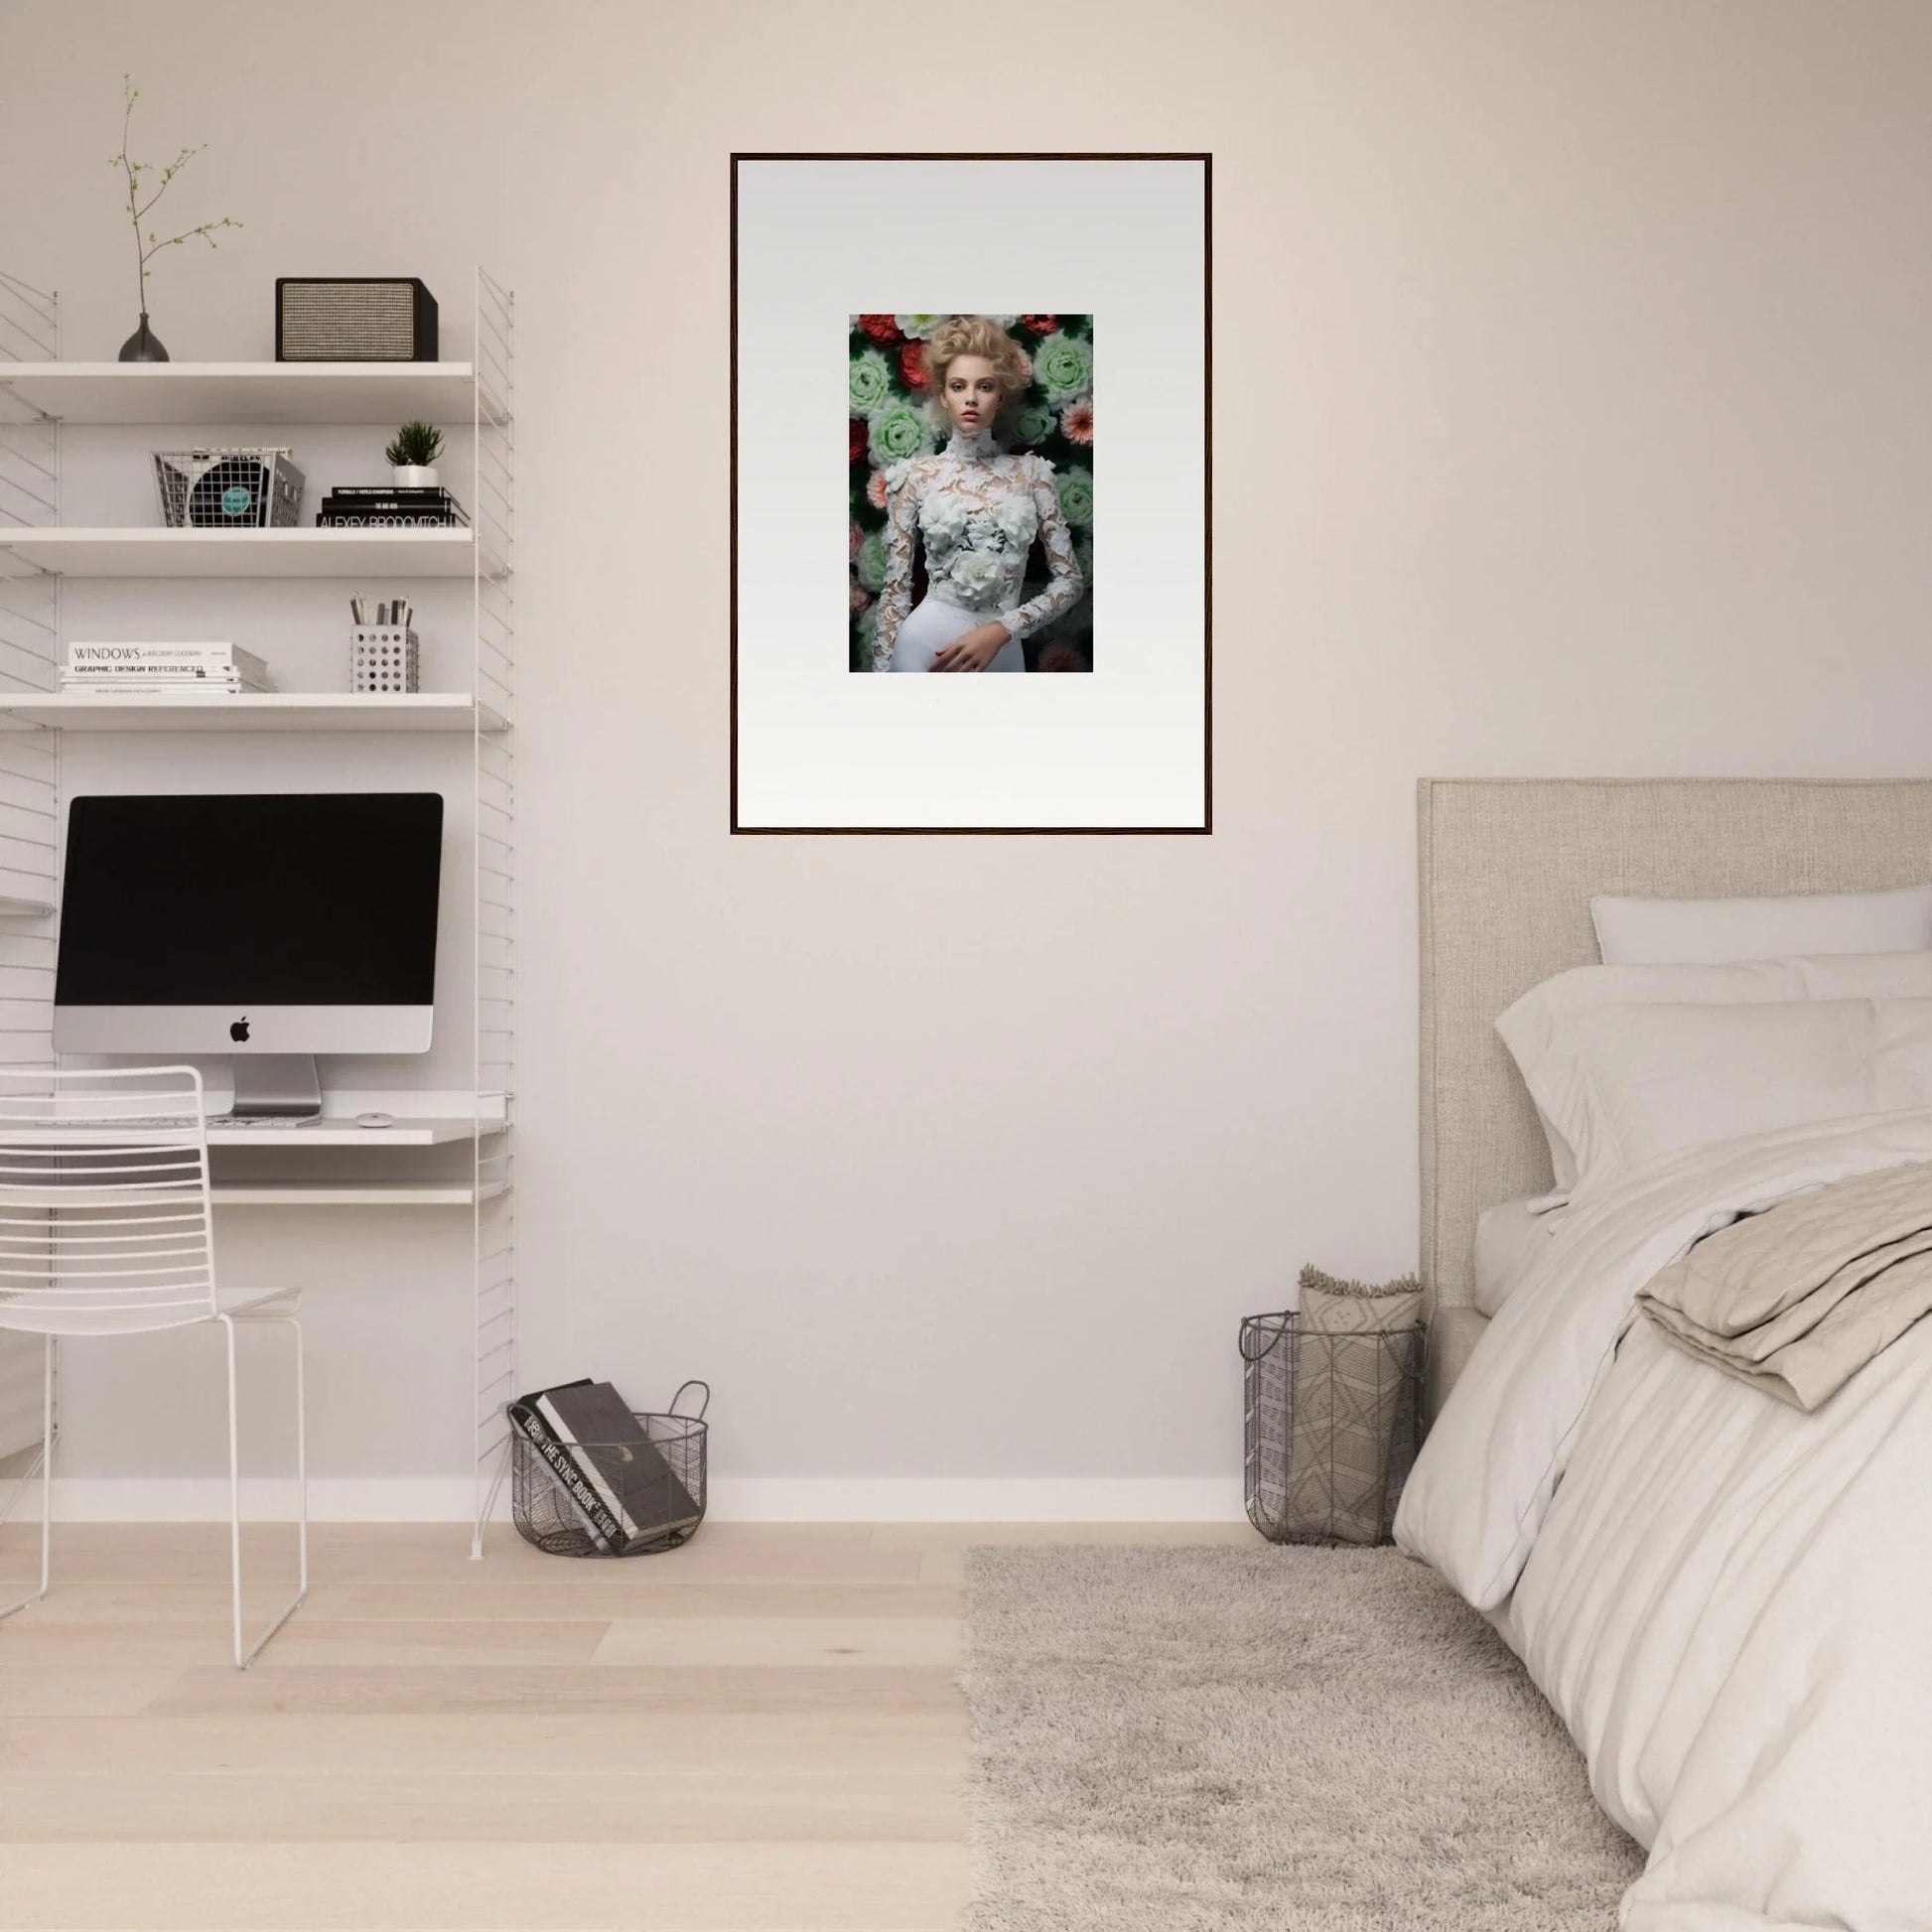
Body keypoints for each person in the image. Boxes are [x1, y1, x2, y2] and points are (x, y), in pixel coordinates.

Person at [872, 316, 1084, 673]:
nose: (971, 398)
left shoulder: (1032, 474)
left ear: (1000, 396)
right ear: (943, 394)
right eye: (958, 386)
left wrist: (1003, 629)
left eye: (984, 386)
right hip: (922, 649)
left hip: (1000, 652)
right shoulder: (914, 476)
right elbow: (895, 595)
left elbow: (1070, 581)